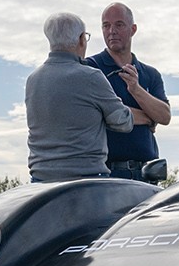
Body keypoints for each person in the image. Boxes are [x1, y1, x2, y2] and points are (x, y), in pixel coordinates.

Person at [25, 12, 135, 183]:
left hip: (41, 179)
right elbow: (123, 122)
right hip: (86, 180)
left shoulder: (33, 79)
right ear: (81, 39)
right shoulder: (91, 77)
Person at [84, 2, 171, 180]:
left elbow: (164, 116)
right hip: (107, 174)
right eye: (106, 25)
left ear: (133, 29)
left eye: (119, 24)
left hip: (147, 173)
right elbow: (101, 113)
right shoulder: (91, 68)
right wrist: (148, 117)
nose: (111, 31)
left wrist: (136, 90)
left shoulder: (150, 74)